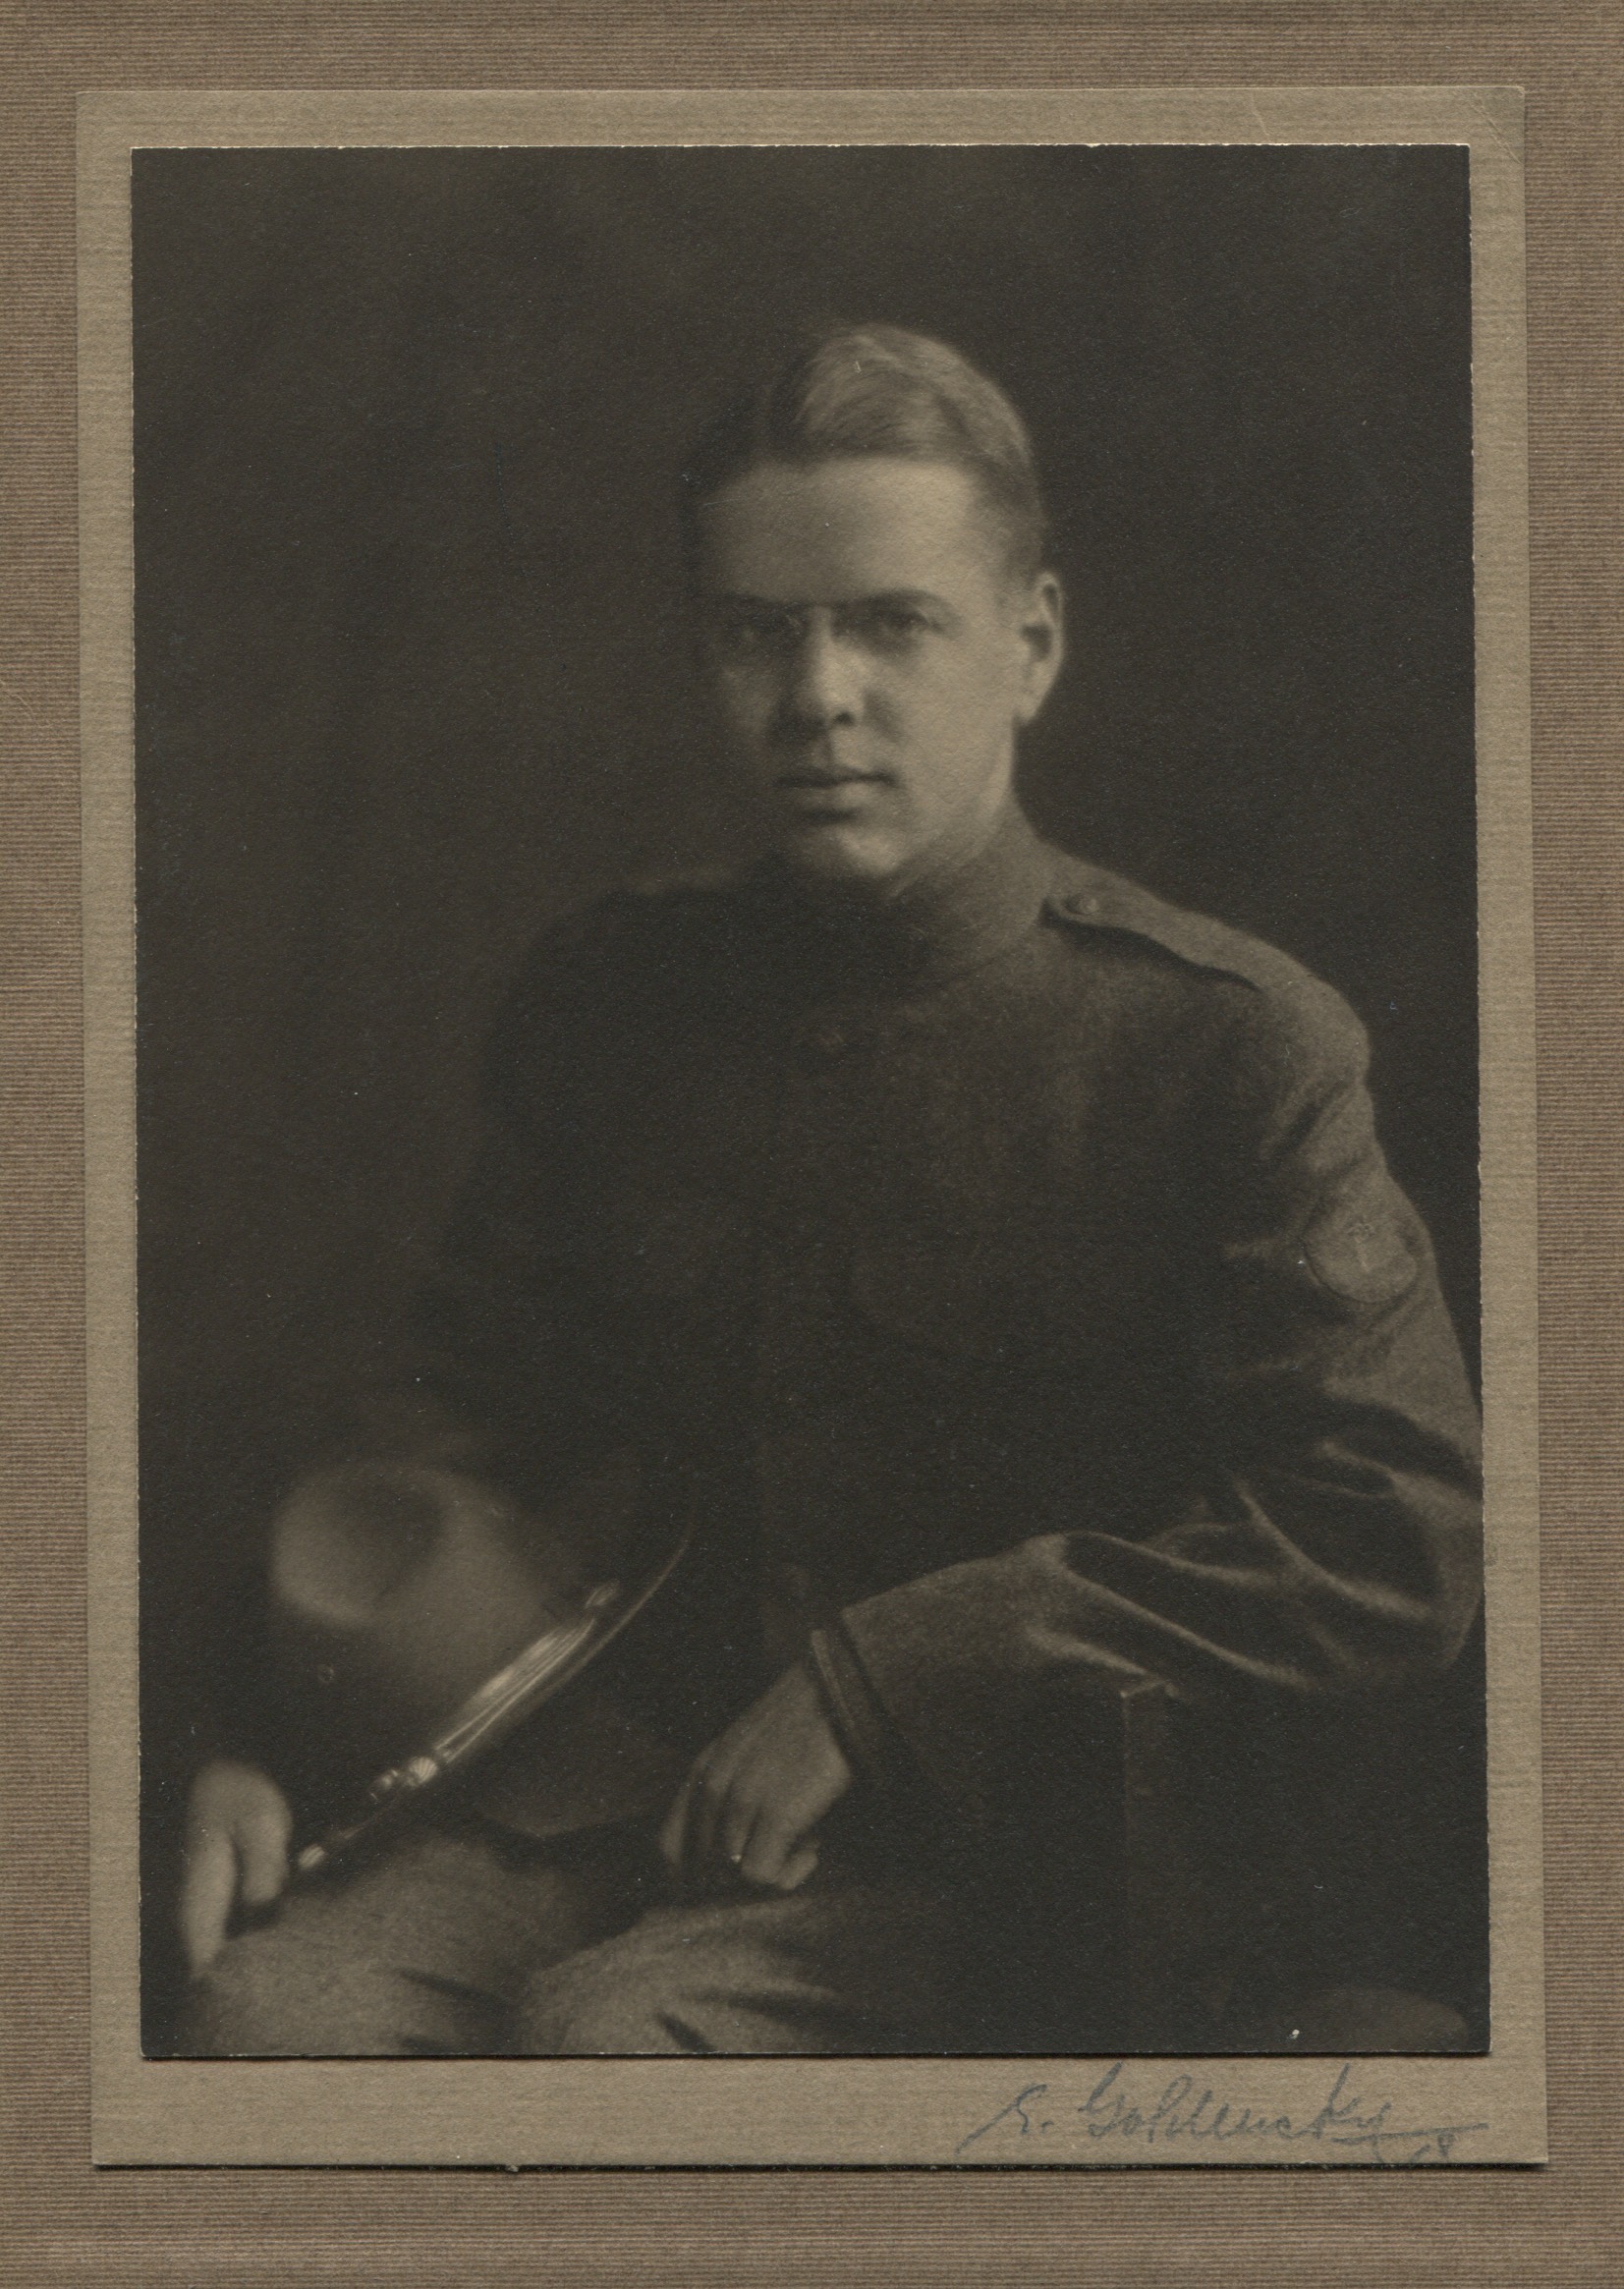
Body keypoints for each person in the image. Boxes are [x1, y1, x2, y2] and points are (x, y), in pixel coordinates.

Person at [176, 324, 1483, 2058]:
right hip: (614, 1801)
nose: (815, 697)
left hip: (1020, 1865)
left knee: (611, 2052)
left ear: (1030, 645)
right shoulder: (614, 995)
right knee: (264, 2019)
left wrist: (900, 1669)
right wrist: (264, 1725)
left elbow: (1393, 1533)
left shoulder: (1220, 1043)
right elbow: (445, 1421)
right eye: (756, 632)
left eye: (890, 623)